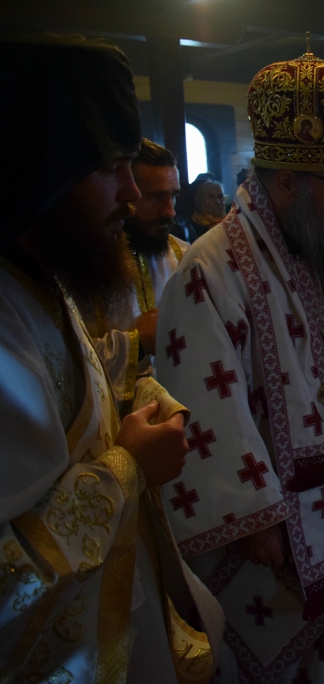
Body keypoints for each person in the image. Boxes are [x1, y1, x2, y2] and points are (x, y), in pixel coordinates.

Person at [154, 47, 324, 683]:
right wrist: (252, 519)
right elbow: (205, 406)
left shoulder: (314, 248)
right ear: (287, 182)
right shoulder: (210, 270)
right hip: (273, 521)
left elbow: (323, 358)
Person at [0, 34, 222, 683]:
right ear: (43, 170)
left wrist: (139, 384)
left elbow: (77, 379)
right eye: (109, 168)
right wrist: (129, 470)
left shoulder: (40, 278)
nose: (130, 193)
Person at [84, 138, 189, 404]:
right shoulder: (83, 266)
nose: (170, 211)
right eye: (155, 197)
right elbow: (67, 365)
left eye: (173, 196)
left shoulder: (186, 257)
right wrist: (137, 343)